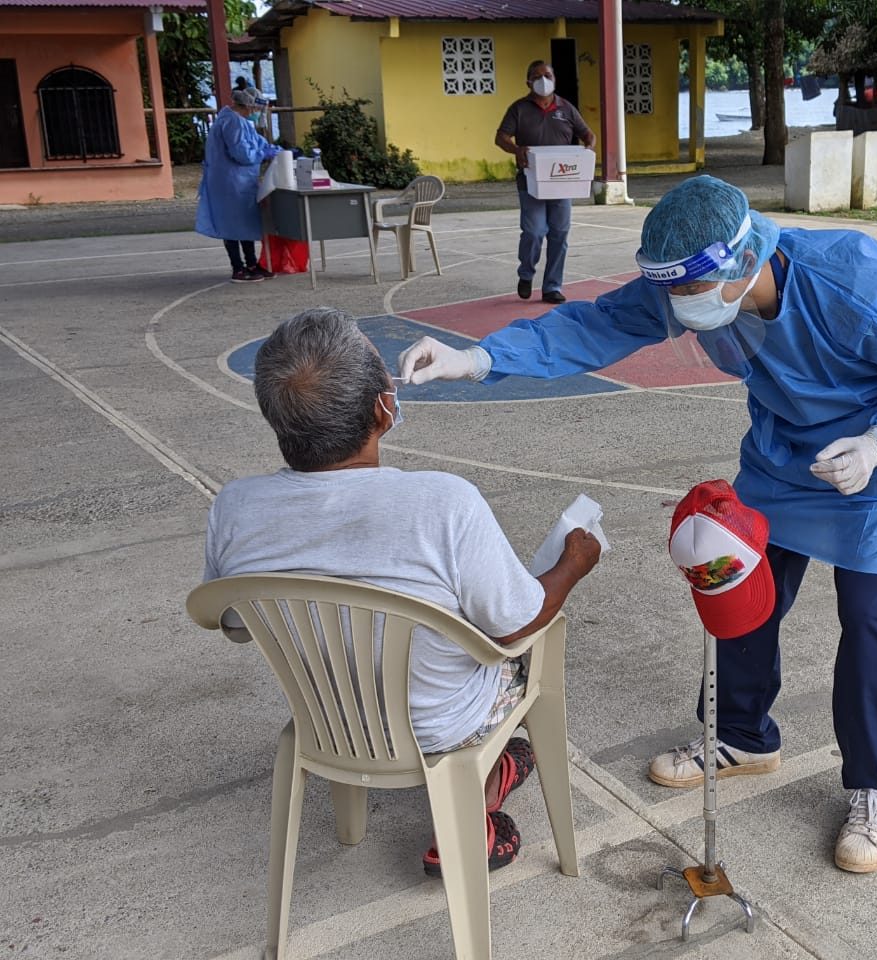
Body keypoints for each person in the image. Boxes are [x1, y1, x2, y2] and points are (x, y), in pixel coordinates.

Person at [397, 175, 877, 875]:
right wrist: (478, 359)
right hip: (784, 455)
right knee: (736, 589)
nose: (677, 310)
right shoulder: (693, 285)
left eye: (688, 294)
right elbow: (592, 326)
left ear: (741, 263)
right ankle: (742, 737)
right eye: (670, 293)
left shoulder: (852, 281)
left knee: (868, 620)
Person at [203, 307, 602, 872]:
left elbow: (236, 623)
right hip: (444, 723)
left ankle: (481, 783)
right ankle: (476, 805)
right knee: (534, 640)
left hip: (327, 719)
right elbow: (517, 621)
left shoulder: (235, 508)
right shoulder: (443, 503)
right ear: (383, 409)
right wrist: (574, 562)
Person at [495, 60, 597, 304]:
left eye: (548, 75)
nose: (543, 80)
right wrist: (516, 149)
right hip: (531, 180)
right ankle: (526, 273)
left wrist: (587, 151)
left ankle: (552, 286)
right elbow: (500, 137)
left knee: (560, 233)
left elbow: (588, 134)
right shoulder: (518, 109)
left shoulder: (566, 108)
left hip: (562, 181)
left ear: (554, 79)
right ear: (528, 82)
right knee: (534, 231)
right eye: (537, 76)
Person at [196, 88, 279, 283]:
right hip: (230, 182)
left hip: (239, 182)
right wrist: (263, 154)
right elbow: (242, 154)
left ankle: (251, 264)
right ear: (249, 106)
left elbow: (257, 143)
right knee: (231, 225)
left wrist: (274, 149)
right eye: (257, 108)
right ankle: (238, 267)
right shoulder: (232, 122)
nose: (257, 112)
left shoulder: (239, 121)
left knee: (245, 223)